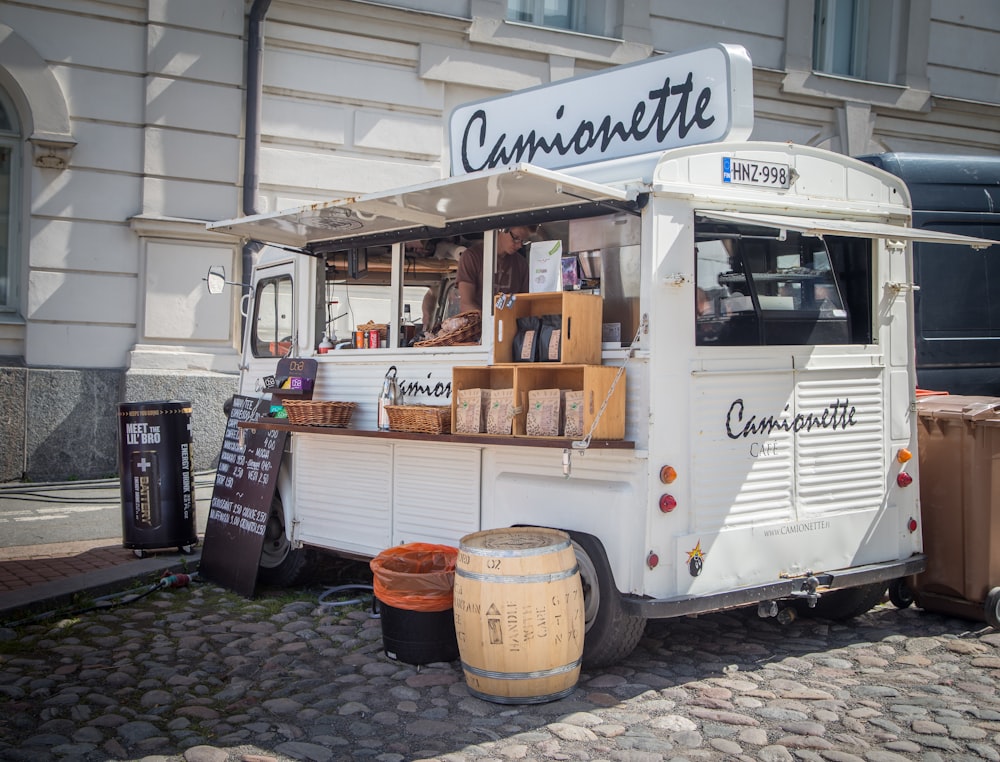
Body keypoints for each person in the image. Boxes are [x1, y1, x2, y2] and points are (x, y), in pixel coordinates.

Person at [456, 226, 536, 313]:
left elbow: (523, 304)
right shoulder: (472, 257)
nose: (519, 245)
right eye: (516, 238)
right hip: (478, 324)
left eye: (523, 241)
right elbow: (466, 303)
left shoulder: (521, 264)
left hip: (509, 324)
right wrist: (488, 323)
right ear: (502, 229)